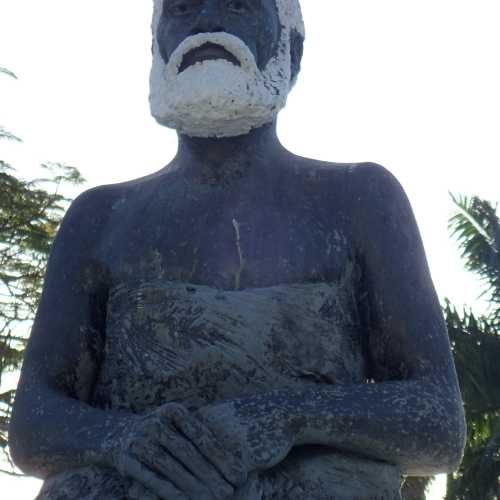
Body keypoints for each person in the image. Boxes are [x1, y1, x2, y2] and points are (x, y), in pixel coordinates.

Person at [9, 0, 466, 498]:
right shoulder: (99, 217)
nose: (207, 21)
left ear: (291, 45)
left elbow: (437, 422)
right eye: (183, 8)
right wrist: (126, 439)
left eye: (238, 4)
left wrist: (286, 416)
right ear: (157, 44)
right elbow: (34, 424)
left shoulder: (361, 198)